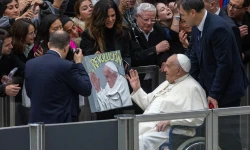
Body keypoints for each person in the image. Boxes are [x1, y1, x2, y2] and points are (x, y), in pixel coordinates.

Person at [178, 0, 249, 149]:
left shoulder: (218, 28)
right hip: (210, 86)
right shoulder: (197, 26)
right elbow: (196, 57)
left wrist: (214, 94)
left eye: (183, 15)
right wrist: (185, 81)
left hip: (226, 91)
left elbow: (225, 65)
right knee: (212, 134)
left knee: (228, 136)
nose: (182, 19)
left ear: (193, 12)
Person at [126, 54, 208, 150]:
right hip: (149, 126)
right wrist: (137, 89)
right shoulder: (167, 83)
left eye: (168, 66)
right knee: (126, 136)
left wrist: (170, 121)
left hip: (172, 131)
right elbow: (148, 105)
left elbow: (197, 118)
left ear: (178, 71)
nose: (164, 69)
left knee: (140, 141)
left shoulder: (193, 88)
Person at [25, 30, 92, 124]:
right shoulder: (67, 66)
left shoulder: (30, 64)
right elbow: (86, 89)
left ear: (49, 45)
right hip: (61, 123)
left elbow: (30, 92)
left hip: (36, 121)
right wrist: (79, 64)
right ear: (66, 48)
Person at [0, 28, 21, 97]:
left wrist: (2, 76)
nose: (11, 47)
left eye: (11, 43)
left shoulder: (9, 55)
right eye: (7, 45)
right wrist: (3, 89)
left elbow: (22, 67)